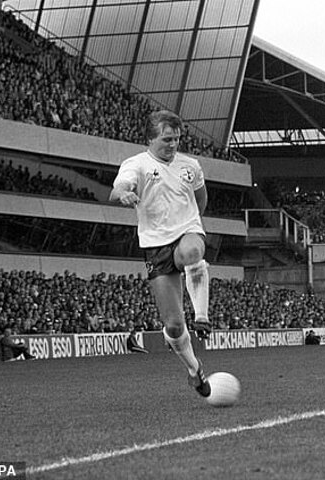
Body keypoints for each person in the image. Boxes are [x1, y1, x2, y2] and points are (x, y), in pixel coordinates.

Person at [110, 110, 212, 398]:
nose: (173, 145)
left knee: (193, 250)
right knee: (174, 325)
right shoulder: (137, 165)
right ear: (150, 138)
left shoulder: (190, 165)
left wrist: (193, 223)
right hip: (155, 245)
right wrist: (125, 194)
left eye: (177, 139)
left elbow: (201, 197)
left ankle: (202, 317)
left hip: (186, 233)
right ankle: (194, 370)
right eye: (167, 139)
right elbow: (117, 188)